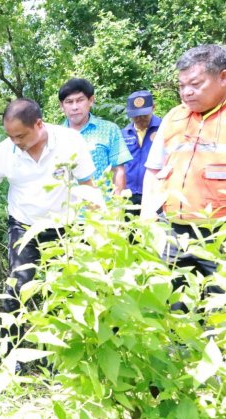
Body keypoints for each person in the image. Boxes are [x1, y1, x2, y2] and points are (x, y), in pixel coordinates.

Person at [0, 98, 96, 345]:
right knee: (17, 290)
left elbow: (88, 187)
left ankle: (59, 354)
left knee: (64, 291)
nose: (16, 142)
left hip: (66, 229)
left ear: (39, 124)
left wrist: (98, 228)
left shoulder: (70, 142)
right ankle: (11, 353)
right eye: (10, 136)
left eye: (20, 136)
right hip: (24, 228)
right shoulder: (5, 151)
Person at [142, 44, 226, 305]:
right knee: (171, 309)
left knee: (220, 311)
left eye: (196, 84)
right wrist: (148, 220)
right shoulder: (174, 118)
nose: (187, 92)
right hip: (173, 234)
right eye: (181, 86)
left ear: (223, 77)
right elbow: (154, 170)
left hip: (218, 236)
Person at [59, 78, 132, 195]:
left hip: (102, 208)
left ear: (91, 100)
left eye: (80, 100)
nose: (75, 107)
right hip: (68, 209)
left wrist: (117, 208)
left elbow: (118, 170)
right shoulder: (56, 136)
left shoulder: (109, 130)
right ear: (62, 106)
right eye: (69, 102)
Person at [121, 90, 161, 216]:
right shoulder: (124, 133)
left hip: (155, 192)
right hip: (129, 194)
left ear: (153, 108)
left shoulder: (164, 129)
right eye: (135, 115)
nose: (140, 119)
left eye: (144, 115)